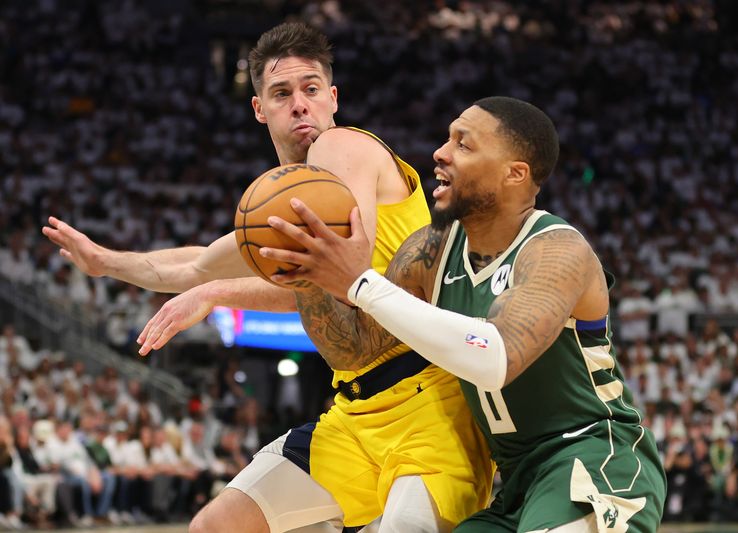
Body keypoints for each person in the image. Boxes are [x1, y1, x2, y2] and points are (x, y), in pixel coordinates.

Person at [42, 22, 492, 533]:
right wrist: (108, 263)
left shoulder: (341, 149)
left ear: (334, 100)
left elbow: (345, 267)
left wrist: (215, 293)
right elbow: (195, 265)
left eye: (311, 89)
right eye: (282, 93)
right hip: (354, 414)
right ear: (259, 109)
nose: (300, 104)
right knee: (214, 526)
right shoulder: (282, 204)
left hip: (431, 402)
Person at [261, 96, 667, 532]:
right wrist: (306, 273)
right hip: (515, 483)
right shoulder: (429, 251)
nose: (440, 152)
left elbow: (495, 359)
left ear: (515, 174)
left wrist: (362, 283)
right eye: (447, 138)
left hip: (594, 459)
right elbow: (355, 351)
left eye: (464, 145)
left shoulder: (557, 250)